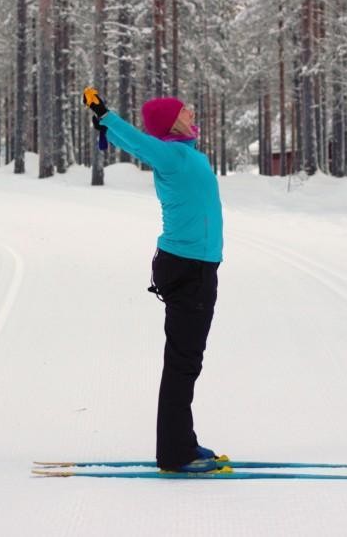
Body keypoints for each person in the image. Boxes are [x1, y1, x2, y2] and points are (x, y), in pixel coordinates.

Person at [82, 87, 223, 473]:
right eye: (185, 110)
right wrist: (106, 118)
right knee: (183, 361)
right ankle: (176, 452)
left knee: (186, 360)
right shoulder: (171, 155)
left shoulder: (187, 155)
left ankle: (182, 442)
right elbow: (139, 141)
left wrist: (108, 127)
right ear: (171, 121)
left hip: (197, 267)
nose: (192, 111)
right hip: (186, 267)